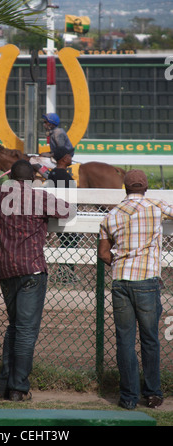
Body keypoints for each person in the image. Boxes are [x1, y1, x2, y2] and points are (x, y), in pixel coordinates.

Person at [0, 159, 74, 401]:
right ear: (31, 179)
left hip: (7, 270)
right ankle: (18, 387)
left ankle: (5, 383)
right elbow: (68, 210)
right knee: (26, 332)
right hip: (32, 269)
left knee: (14, 328)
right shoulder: (38, 196)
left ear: (10, 177)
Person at [98, 169, 173, 410]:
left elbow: (103, 253)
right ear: (146, 187)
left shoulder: (112, 215)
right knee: (150, 339)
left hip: (121, 280)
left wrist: (121, 262)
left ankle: (128, 396)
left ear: (125, 188)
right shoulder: (155, 205)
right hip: (146, 280)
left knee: (125, 340)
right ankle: (152, 393)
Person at [48, 146, 78, 283]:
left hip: (58, 212)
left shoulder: (53, 173)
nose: (71, 158)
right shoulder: (64, 176)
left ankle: (64, 272)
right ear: (64, 158)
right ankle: (66, 273)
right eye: (69, 156)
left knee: (67, 242)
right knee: (71, 242)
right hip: (66, 214)